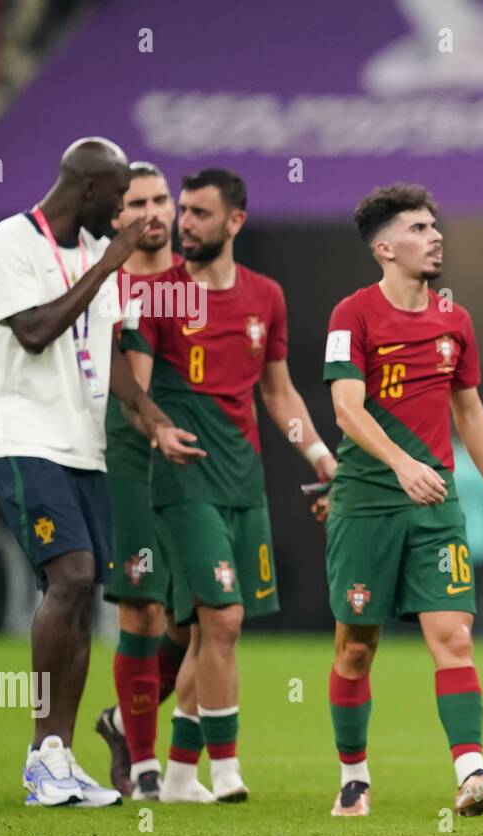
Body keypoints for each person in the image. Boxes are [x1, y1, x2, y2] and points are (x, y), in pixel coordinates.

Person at [0, 137, 199, 808]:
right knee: (67, 576)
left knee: (79, 599)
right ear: (92, 191)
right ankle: (44, 751)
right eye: (120, 202)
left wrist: (154, 420)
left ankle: (59, 757)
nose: (126, 218)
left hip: (83, 446)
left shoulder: (102, 261)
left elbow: (118, 360)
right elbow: (36, 332)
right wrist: (105, 267)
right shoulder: (10, 242)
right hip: (22, 437)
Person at [123, 168, 337, 803]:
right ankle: (228, 769)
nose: (184, 223)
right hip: (183, 478)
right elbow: (132, 388)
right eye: (182, 211)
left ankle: (180, 774)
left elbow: (277, 390)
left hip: (243, 480)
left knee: (201, 631)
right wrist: (158, 428)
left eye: (199, 213)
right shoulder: (158, 295)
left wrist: (320, 456)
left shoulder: (264, 296)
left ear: (235, 222)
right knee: (224, 617)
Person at [321, 184, 483, 818]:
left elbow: (469, 411)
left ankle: (470, 772)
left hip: (435, 507)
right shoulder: (351, 315)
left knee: (454, 638)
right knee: (356, 645)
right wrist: (402, 463)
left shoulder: (454, 320)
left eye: (435, 225)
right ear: (384, 247)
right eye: (418, 228)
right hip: (366, 502)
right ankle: (353, 775)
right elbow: (346, 408)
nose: (435, 235)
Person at [92, 161, 195, 801]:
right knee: (144, 605)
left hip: (192, 457)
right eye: (138, 203)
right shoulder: (100, 286)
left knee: (196, 618)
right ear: (115, 216)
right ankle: (143, 764)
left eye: (163, 199)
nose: (154, 212)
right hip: (126, 451)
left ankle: (117, 720)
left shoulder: (196, 282)